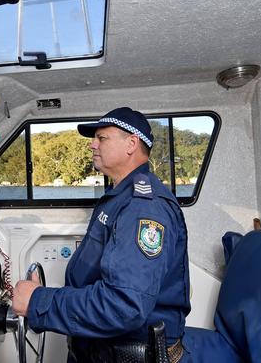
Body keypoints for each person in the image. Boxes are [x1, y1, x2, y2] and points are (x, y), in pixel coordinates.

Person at [12, 107, 191, 363]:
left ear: (132, 144)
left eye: (102, 138)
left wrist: (38, 302)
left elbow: (124, 305)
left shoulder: (143, 207)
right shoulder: (119, 197)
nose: (92, 145)